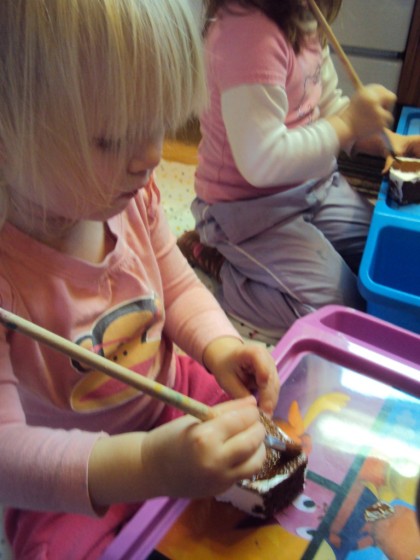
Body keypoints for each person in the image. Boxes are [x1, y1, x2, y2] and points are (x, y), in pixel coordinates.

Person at [0, 1, 281, 558]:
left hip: (174, 398)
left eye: (161, 126)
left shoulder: (131, 200)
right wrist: (149, 466)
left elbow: (175, 287)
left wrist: (221, 345)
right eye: (111, 139)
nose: (152, 158)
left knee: (281, 452)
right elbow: (7, 455)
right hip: (76, 477)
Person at [178, 0, 420, 340]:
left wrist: (389, 141)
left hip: (316, 187)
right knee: (338, 307)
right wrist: (348, 124)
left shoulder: (305, 15)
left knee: (379, 259)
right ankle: (220, 262)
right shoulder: (247, 34)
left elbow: (326, 105)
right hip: (246, 212)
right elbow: (263, 162)